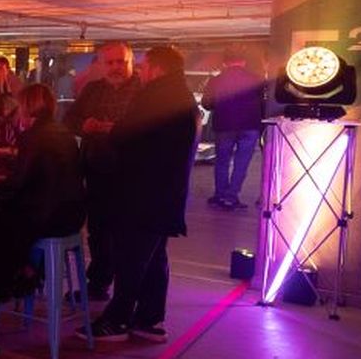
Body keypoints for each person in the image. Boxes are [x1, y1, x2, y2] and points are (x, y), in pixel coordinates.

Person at [85, 46, 198, 343]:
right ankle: (149, 319)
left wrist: (109, 132)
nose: (141, 71)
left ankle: (117, 320)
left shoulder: (155, 96)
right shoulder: (182, 96)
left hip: (141, 195)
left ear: (157, 68)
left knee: (131, 260)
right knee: (154, 259)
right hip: (165, 196)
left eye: (144, 66)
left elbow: (127, 135)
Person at [0, 84, 86, 320]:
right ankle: (24, 271)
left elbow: (19, 184)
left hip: (45, 216)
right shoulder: (63, 132)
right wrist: (6, 180)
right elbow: (39, 176)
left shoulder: (32, 136)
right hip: (70, 215)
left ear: (27, 106)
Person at [64, 41, 139, 301]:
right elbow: (69, 119)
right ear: (102, 65)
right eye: (110, 62)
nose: (116, 67)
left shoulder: (143, 91)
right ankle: (98, 284)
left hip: (131, 174)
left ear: (131, 62)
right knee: (98, 231)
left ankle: (126, 293)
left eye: (121, 62)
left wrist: (118, 129)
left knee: (127, 234)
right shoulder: (93, 90)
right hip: (96, 171)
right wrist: (84, 124)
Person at [203, 48, 265, 210]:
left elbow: (206, 104)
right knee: (241, 163)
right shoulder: (256, 79)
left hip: (224, 125)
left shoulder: (216, 80)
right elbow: (262, 103)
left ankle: (219, 195)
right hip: (250, 126)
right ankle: (231, 197)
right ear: (243, 62)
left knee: (222, 161)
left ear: (225, 62)